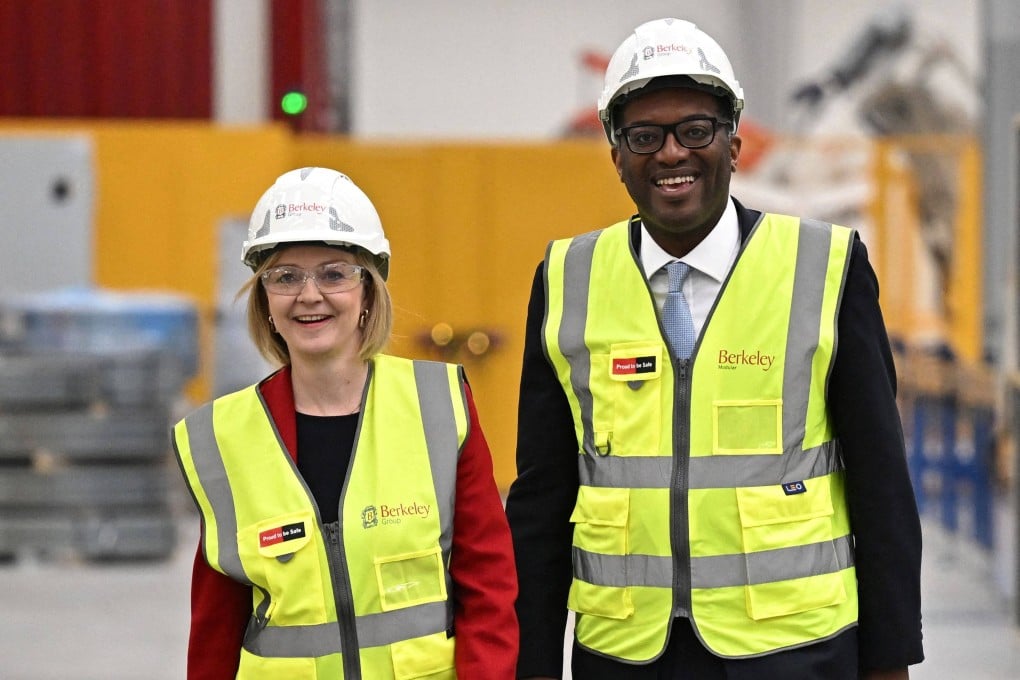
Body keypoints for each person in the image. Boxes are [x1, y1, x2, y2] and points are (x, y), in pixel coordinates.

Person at [505, 18, 923, 680]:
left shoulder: (824, 268)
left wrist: (890, 658)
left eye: (696, 130)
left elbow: (879, 482)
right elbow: (543, 496)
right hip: (626, 655)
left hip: (795, 653)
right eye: (644, 136)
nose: (672, 153)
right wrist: (528, 664)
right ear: (616, 154)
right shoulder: (567, 280)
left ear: (733, 143)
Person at [173, 167, 518, 679]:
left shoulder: (439, 406)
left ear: (367, 292)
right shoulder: (221, 438)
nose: (309, 295)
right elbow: (215, 633)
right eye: (285, 276)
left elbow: (489, 590)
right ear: (265, 300)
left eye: (334, 273)